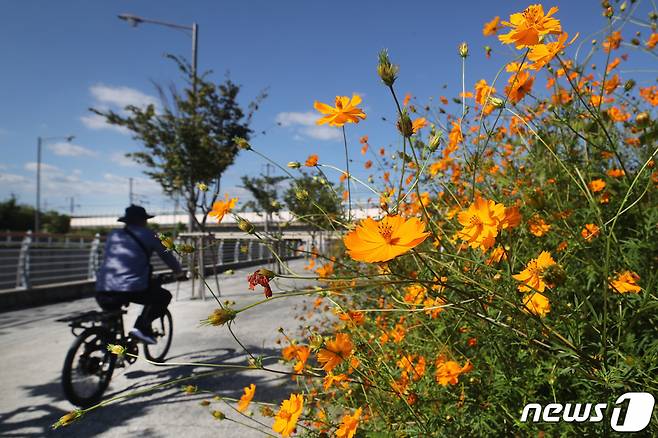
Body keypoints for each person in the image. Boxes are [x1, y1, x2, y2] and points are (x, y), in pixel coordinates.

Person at [95, 205, 185, 344]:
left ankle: (104, 347)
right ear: (142, 220)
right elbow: (167, 256)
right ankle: (141, 328)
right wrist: (179, 273)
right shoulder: (149, 234)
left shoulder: (113, 234)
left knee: (110, 321)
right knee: (163, 296)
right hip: (131, 288)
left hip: (103, 287)